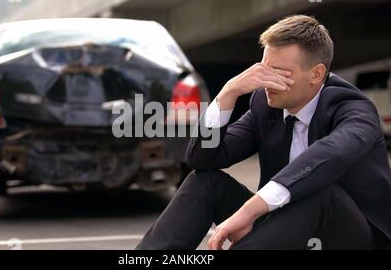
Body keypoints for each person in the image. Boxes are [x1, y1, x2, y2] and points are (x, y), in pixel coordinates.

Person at [136, 15, 391, 250]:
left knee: (322, 193)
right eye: (264, 68)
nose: (267, 80)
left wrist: (250, 211)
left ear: (316, 74)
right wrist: (227, 94)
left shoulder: (354, 109)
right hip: (285, 225)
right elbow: (202, 158)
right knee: (205, 182)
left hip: (349, 238)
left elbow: (327, 156)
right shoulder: (265, 105)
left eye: (280, 73)